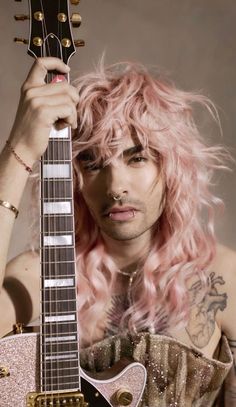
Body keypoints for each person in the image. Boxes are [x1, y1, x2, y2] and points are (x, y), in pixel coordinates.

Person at [0, 57, 235, 406]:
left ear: (171, 166)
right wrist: (19, 149)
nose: (115, 186)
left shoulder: (222, 274)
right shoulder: (42, 275)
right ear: (75, 179)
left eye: (137, 158)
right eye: (92, 164)